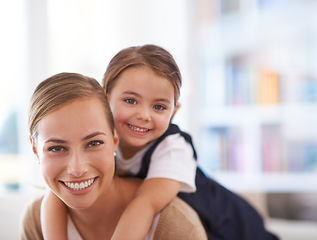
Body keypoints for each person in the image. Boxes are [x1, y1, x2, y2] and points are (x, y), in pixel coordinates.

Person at [40, 45, 279, 240]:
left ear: (174, 112)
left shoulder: (173, 149)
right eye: (131, 100)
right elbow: (57, 193)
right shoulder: (98, 139)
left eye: (159, 107)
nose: (144, 115)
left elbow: (144, 205)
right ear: (105, 96)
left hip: (232, 228)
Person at [20, 72, 208, 240]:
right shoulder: (36, 220)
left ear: (115, 139)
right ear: (35, 150)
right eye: (56, 148)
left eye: (94, 143)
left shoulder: (175, 226)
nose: (77, 169)